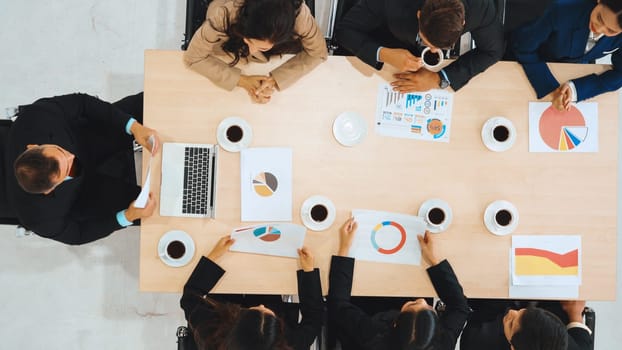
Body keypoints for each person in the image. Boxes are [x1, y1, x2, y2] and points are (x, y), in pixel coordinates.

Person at [5, 92, 158, 245]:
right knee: (156, 209)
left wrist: (133, 126)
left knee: (153, 102)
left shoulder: (37, 118)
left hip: (88, 136)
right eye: (66, 170)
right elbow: (78, 234)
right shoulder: (41, 218)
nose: (72, 157)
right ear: (48, 191)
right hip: (86, 195)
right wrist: (127, 216)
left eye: (61, 151)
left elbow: (82, 103)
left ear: (33, 146)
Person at [327, 217, 469, 350]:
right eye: (429, 309)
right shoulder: (441, 344)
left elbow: (338, 304)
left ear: (395, 323)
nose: (423, 301)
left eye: (414, 304)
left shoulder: (372, 335)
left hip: (366, 310)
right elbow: (460, 307)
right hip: (400, 295)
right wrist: (433, 261)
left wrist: (344, 249)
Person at [180, 236, 324, 350]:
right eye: (267, 313)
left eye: (257, 309)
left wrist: (213, 257)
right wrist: (308, 271)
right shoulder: (291, 344)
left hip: (225, 300)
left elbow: (190, 297)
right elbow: (314, 319)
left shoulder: (211, 336)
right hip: (264, 285)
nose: (261, 305)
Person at [335, 0, 504, 93]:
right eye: (427, 41)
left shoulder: (480, 7)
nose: (431, 50)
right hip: (388, 33)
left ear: (463, 22)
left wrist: (439, 78)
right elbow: (345, 30)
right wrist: (384, 54)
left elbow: (494, 50)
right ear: (419, 14)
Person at [183, 0, 328, 103]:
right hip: (229, 40)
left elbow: (318, 52)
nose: (252, 50)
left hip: (276, 54)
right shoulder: (225, 14)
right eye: (249, 41)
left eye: (262, 46)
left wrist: (276, 79)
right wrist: (242, 80)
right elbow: (193, 57)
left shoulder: (300, 17)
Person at [509, 0, 622, 111]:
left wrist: (575, 89)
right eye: (599, 18)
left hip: (574, 66)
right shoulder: (562, 10)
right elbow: (524, 48)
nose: (599, 29)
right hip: (538, 58)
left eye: (611, 31)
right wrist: (550, 88)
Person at [460, 299, 593, 350]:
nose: (512, 312)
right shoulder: (561, 341)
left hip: (491, 324)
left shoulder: (475, 344)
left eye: (512, 323)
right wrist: (575, 314)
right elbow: (583, 345)